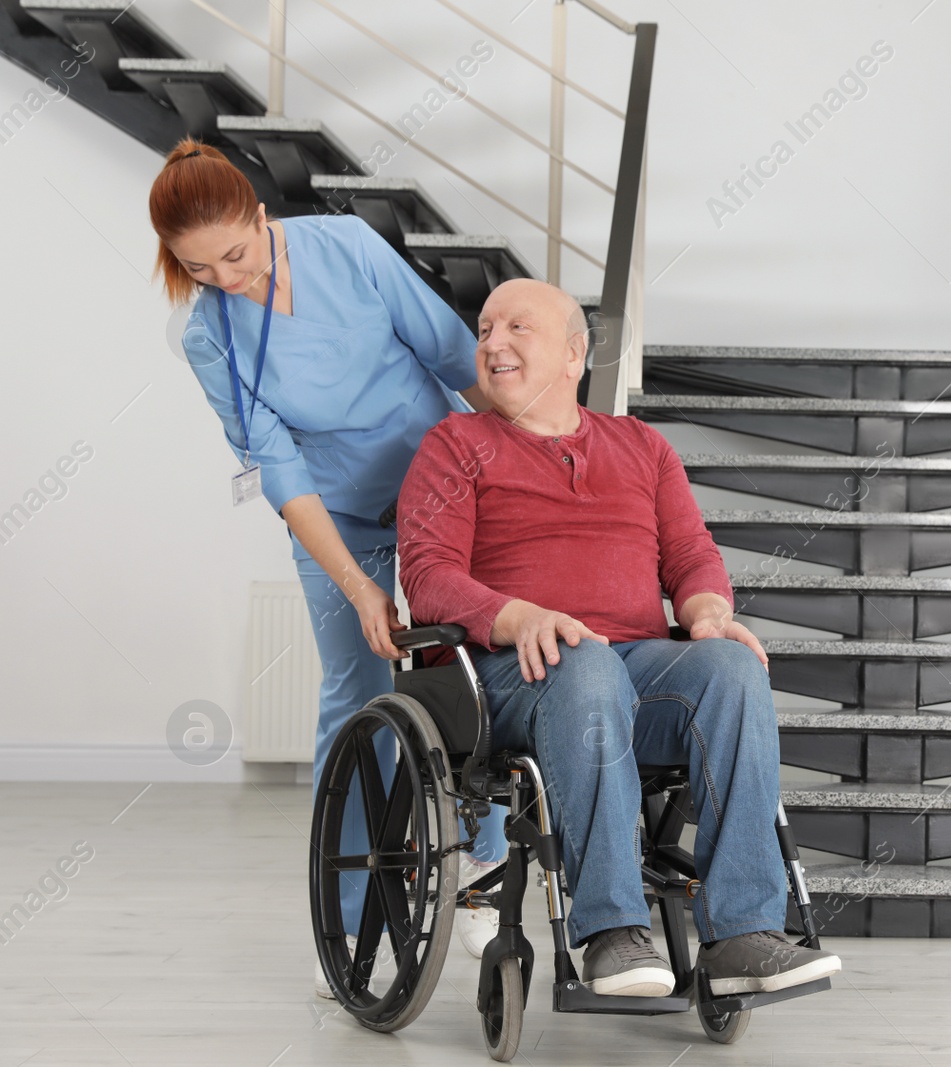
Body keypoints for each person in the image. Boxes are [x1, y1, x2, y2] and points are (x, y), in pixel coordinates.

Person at [397, 278, 843, 997]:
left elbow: (692, 552)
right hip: (512, 675)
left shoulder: (642, 446)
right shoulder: (456, 445)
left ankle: (743, 934)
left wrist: (706, 611)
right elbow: (428, 574)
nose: (491, 342)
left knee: (730, 667)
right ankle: (611, 931)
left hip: (634, 666)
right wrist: (520, 616)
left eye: (516, 327)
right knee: (587, 661)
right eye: (483, 329)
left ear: (575, 355)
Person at [147, 137, 508, 989]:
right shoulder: (209, 336)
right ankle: (353, 922)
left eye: (235, 255)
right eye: (201, 269)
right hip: (336, 514)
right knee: (357, 695)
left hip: (441, 491)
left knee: (479, 668)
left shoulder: (344, 246)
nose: (228, 279)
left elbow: (454, 355)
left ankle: (485, 878)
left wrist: (526, 462)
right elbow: (277, 466)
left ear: (262, 217)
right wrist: (355, 583)